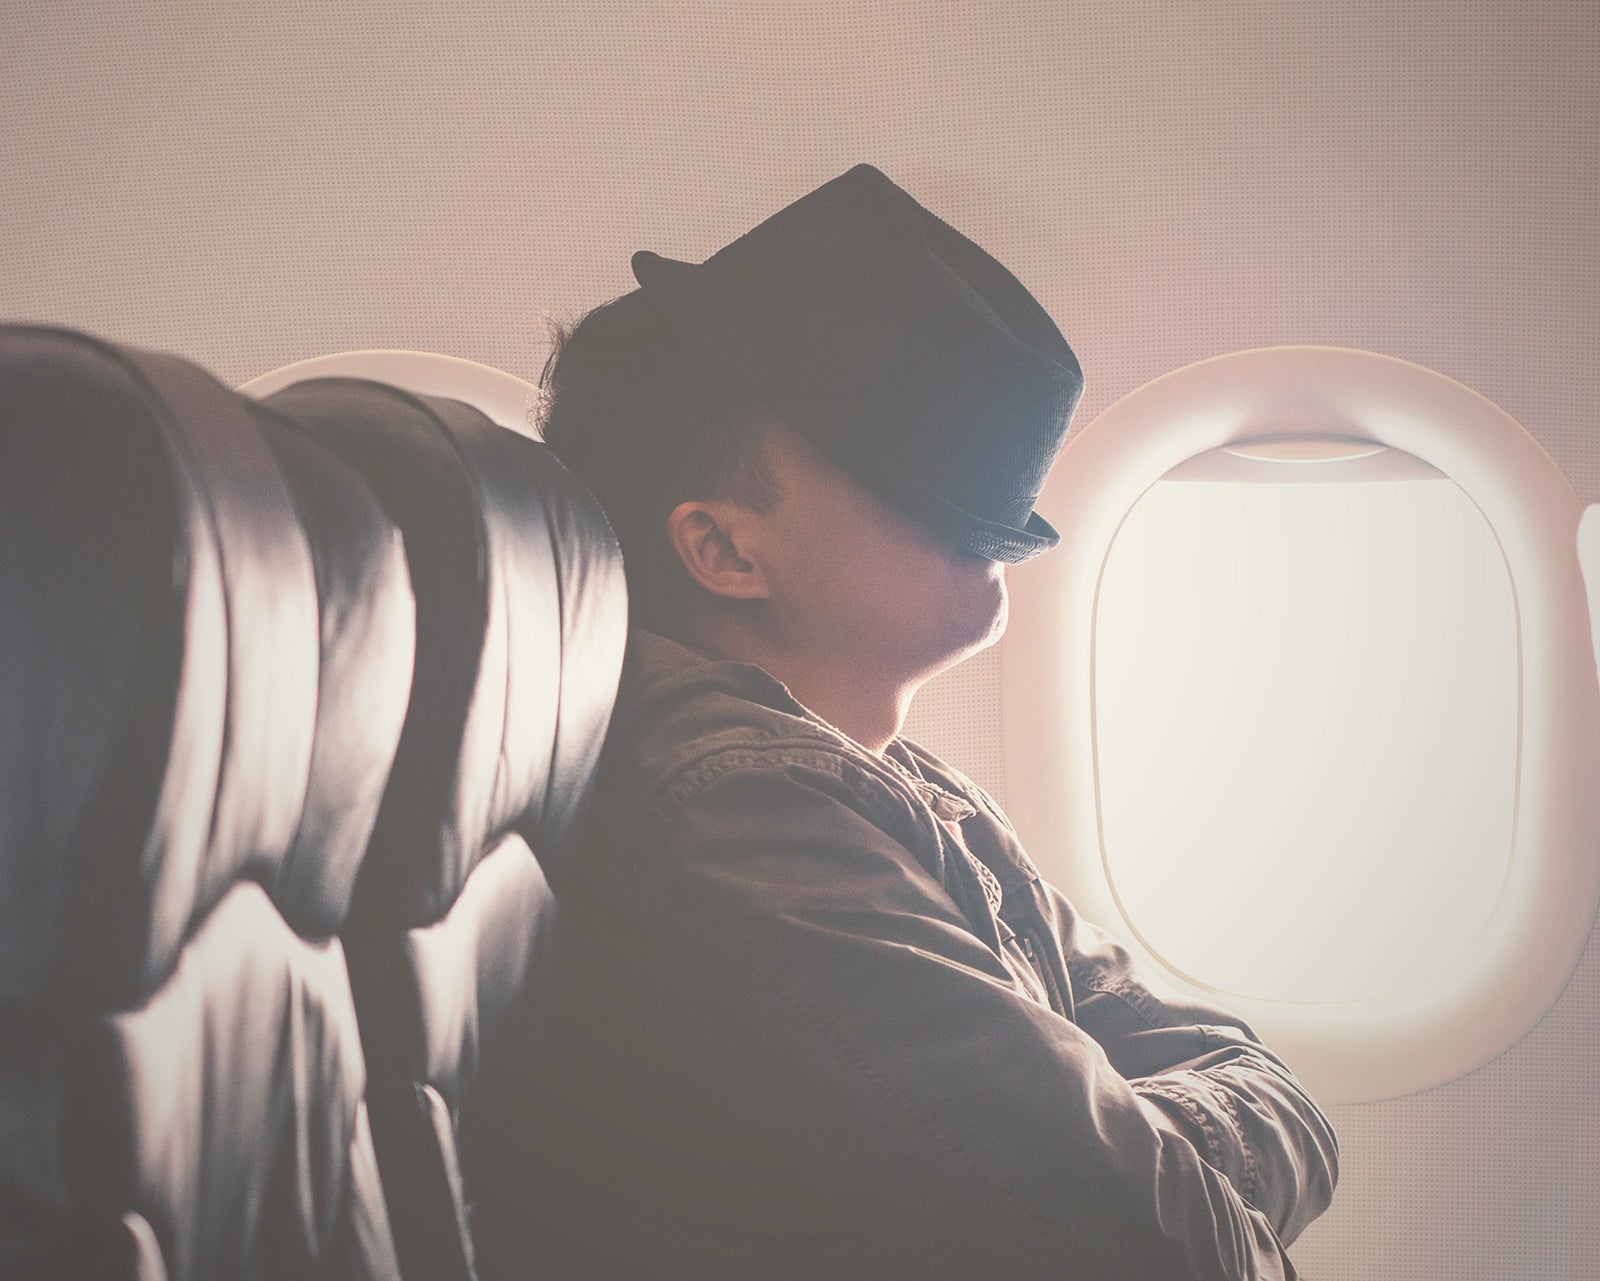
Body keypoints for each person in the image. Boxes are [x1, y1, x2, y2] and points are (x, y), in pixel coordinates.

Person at [474, 164, 1338, 1280]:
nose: (977, 508)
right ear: (724, 548)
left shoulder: (907, 783)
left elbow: (1261, 1087)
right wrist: (1168, 1156)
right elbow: (1167, 1247)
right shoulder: (731, 809)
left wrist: (1160, 1150)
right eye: (906, 472)